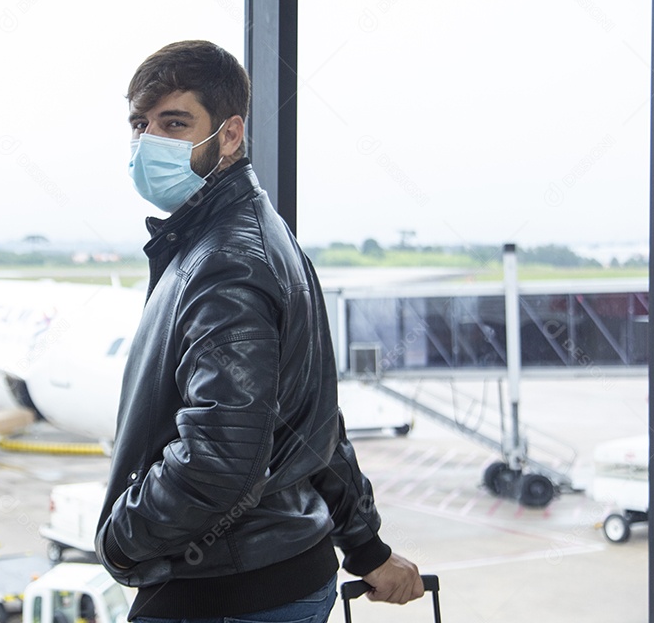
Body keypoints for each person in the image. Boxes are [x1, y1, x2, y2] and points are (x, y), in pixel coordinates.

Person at [94, 40, 424, 622]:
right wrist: (366, 546)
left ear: (229, 135)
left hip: (226, 592)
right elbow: (310, 419)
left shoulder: (226, 263)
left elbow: (218, 461)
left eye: (174, 123)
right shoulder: (256, 235)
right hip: (280, 577)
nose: (150, 143)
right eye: (140, 125)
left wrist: (119, 539)